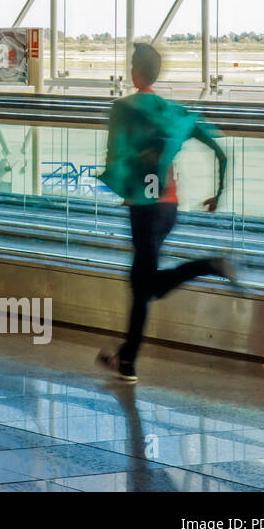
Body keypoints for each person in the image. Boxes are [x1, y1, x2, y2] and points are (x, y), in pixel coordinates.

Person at [96, 43, 237, 383]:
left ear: (135, 72)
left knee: (144, 287)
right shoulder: (174, 111)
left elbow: (116, 157)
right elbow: (220, 152)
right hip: (169, 209)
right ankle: (125, 359)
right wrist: (217, 194)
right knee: (142, 284)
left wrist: (129, 187)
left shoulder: (124, 108)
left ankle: (209, 265)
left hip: (144, 211)